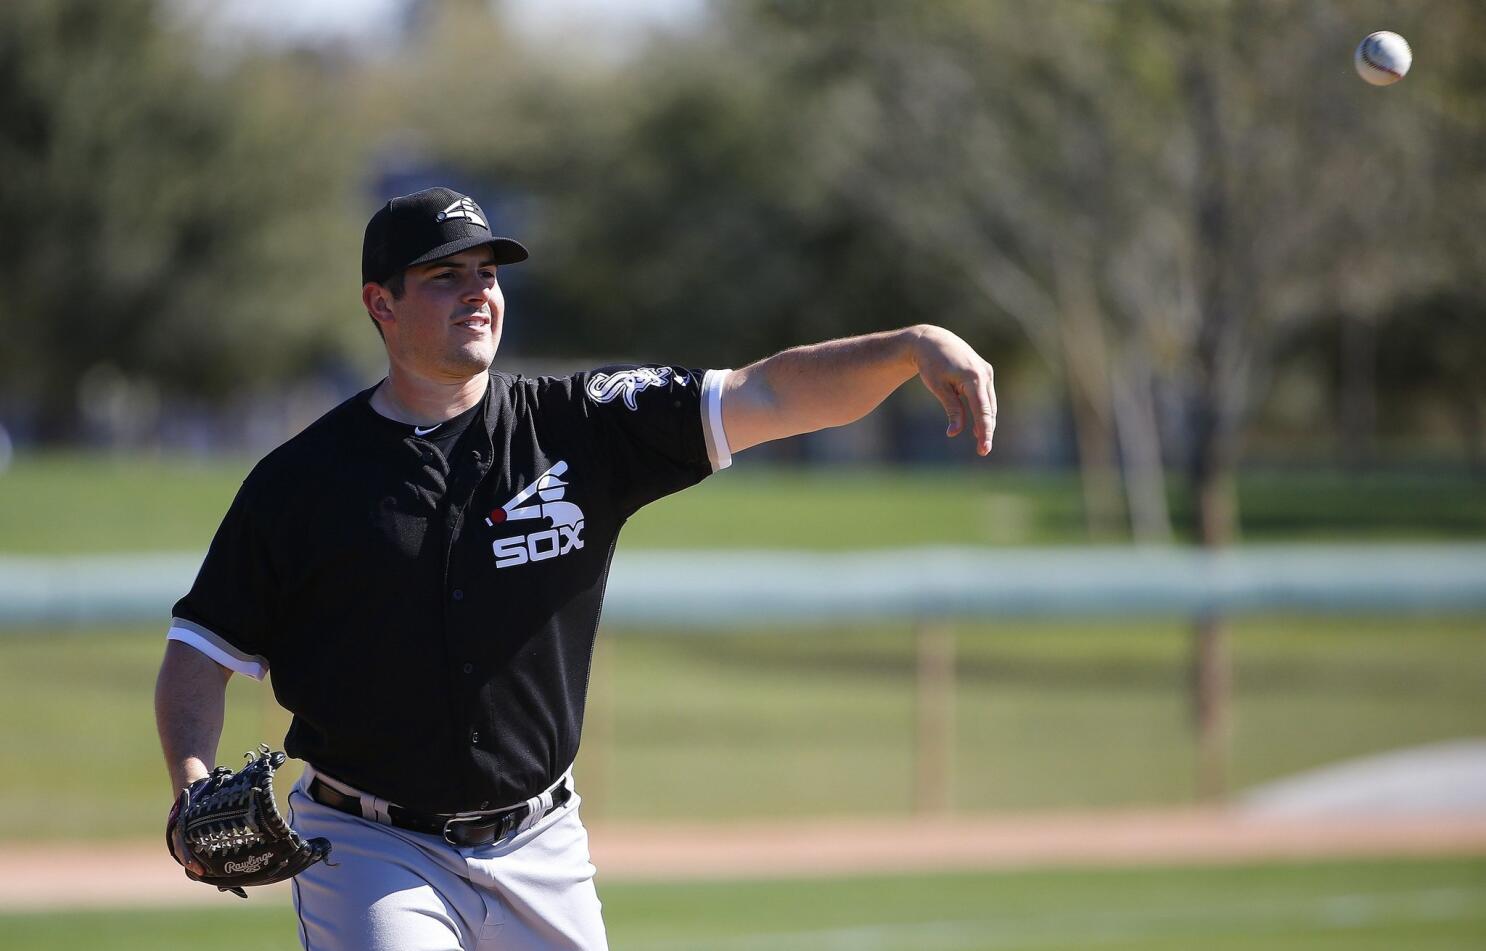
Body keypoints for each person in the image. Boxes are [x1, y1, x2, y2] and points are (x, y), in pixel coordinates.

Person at [154, 186, 997, 950]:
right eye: (445, 275)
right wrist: (192, 788)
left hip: (540, 844)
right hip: (375, 848)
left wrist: (909, 348)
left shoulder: (578, 426)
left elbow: (764, 393)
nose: (478, 291)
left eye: (488, 271)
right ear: (382, 302)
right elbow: (200, 652)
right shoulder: (301, 481)